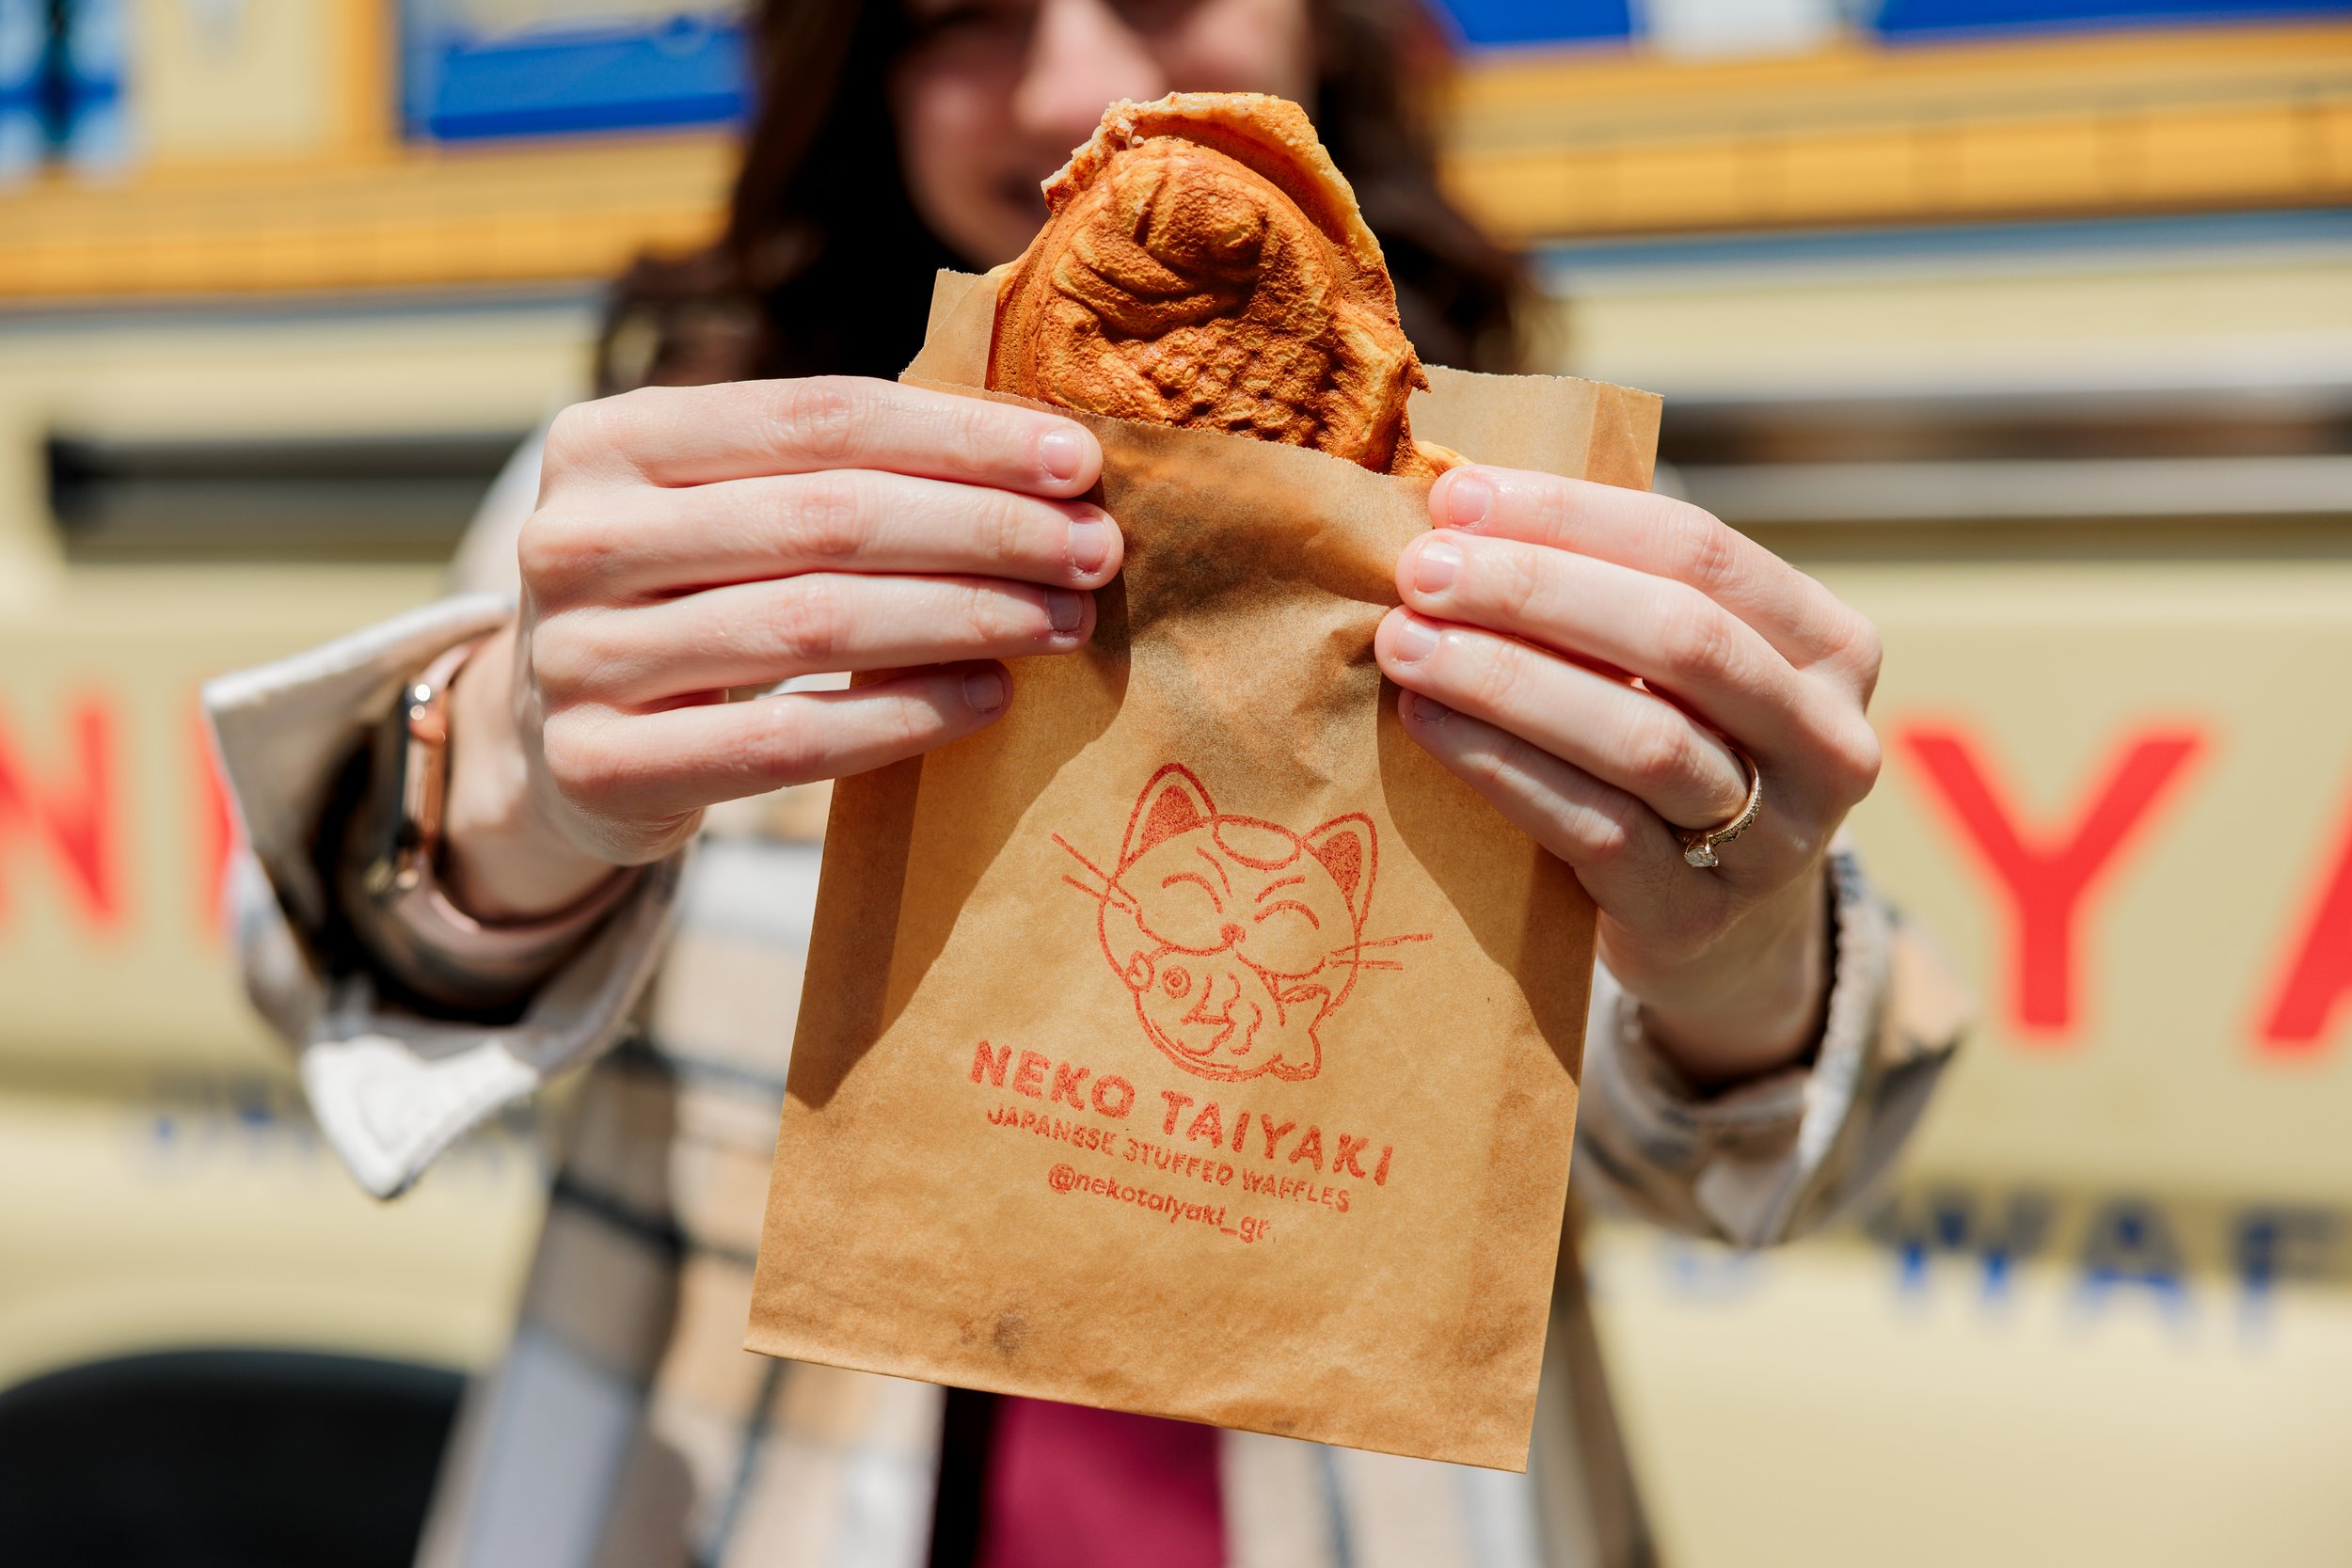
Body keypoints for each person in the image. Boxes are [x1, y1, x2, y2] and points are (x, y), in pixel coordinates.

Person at [205, 2, 1970, 1564]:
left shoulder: (1519, 505)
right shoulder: (696, 492)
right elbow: (316, 992)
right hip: (735, 1496)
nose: (1071, 82)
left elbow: (1756, 1173)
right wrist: (510, 784)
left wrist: (1739, 953)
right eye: (961, 14)